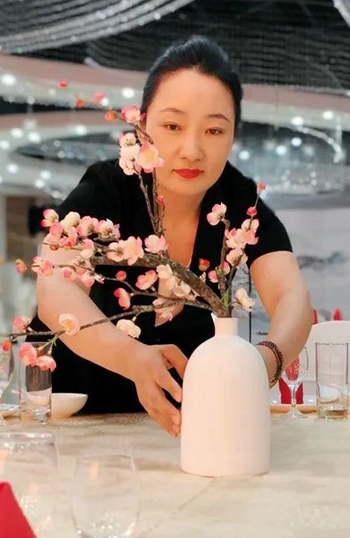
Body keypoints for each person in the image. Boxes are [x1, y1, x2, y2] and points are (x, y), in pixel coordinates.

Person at [31, 37, 312, 437]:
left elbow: (291, 296)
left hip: (183, 430)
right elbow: (55, 289)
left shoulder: (236, 200)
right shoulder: (108, 188)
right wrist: (131, 357)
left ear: (232, 136)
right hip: (79, 421)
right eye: (172, 126)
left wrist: (265, 362)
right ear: (142, 125)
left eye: (214, 130)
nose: (192, 149)